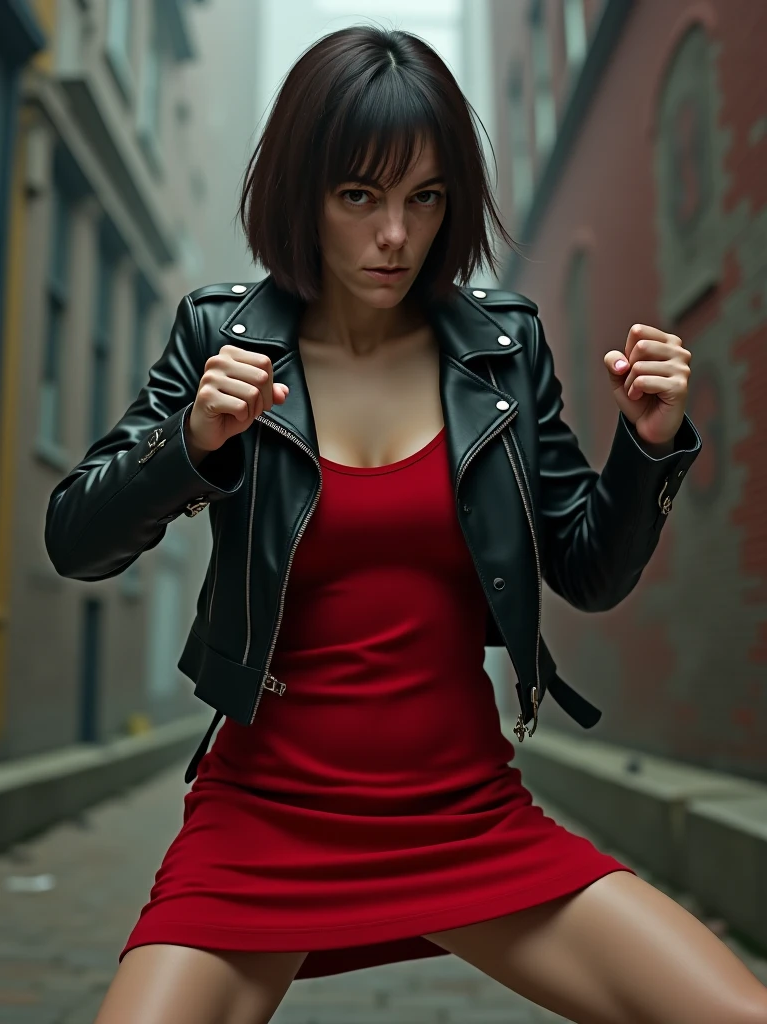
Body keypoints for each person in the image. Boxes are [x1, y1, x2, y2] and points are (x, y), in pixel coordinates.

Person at [44, 24, 767, 1024]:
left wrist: (647, 446)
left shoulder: (503, 349)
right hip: (263, 817)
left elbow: (588, 570)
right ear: (303, 194)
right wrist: (194, 443)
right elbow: (73, 539)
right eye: (360, 197)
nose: (395, 236)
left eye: (424, 198)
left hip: (464, 813)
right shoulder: (222, 336)